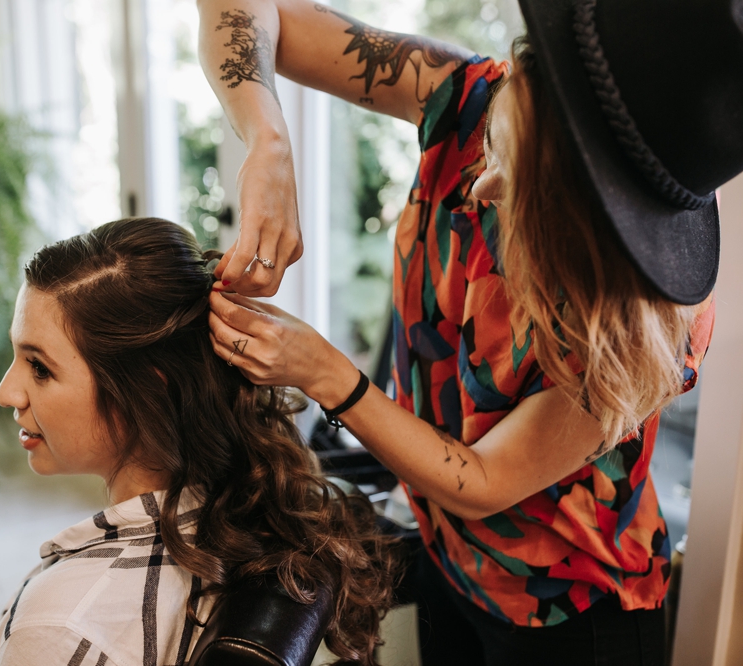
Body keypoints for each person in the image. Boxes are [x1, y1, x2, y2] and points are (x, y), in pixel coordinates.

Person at [198, 0, 742, 663]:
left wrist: (323, 371)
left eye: (516, 183)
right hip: (449, 560)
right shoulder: (462, 97)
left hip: (573, 616)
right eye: (494, 141)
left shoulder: (641, 323)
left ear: (592, 224)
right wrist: (267, 142)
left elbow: (483, 481)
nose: (479, 184)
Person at [0, 217, 395, 666]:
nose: (6, 393)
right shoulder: (232, 506)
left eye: (39, 368)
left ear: (148, 392)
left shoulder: (61, 626)